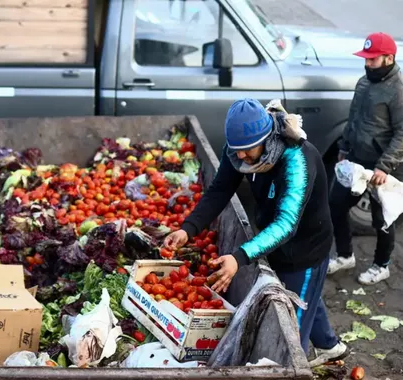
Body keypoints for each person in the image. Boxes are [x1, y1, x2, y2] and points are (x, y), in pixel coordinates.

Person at [164, 98, 347, 365]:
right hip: (272, 240)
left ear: (266, 138)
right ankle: (330, 346)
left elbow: (286, 225)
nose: (240, 157)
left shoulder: (297, 161)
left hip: (303, 249)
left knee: (290, 333)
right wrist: (188, 228)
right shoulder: (239, 148)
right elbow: (220, 189)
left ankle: (293, 367)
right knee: (305, 297)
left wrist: (238, 258)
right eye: (236, 151)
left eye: (246, 151)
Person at [327, 32, 403, 285]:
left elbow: (402, 132)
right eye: (366, 58)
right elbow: (354, 119)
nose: (367, 63)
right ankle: (346, 254)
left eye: (372, 59)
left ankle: (382, 265)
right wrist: (344, 148)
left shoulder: (398, 90)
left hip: (383, 167)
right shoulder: (363, 82)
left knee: (382, 219)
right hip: (356, 161)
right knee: (336, 204)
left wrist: (384, 167)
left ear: (389, 58)